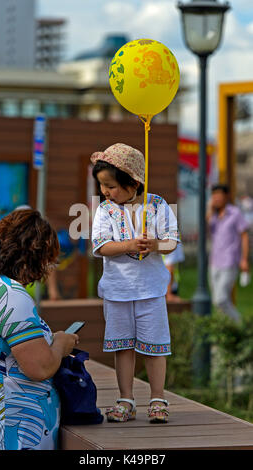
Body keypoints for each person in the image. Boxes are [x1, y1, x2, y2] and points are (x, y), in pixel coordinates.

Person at [91, 143, 180, 423]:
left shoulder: (157, 205)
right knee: (123, 346)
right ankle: (126, 399)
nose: (105, 191)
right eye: (102, 185)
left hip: (151, 290)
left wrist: (155, 244)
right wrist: (128, 244)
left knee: (155, 346)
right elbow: (101, 245)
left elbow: (172, 241)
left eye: (111, 185)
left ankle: (157, 398)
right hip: (117, 290)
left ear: (133, 182)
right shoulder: (105, 210)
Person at [0, 209, 79, 450]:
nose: (48, 267)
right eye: (47, 259)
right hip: (16, 428)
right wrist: (61, 343)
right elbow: (38, 367)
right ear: (34, 254)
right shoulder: (9, 295)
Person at [206, 183, 250, 323]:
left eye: (219, 195)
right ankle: (225, 334)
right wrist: (209, 209)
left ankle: (239, 325)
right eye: (214, 195)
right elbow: (206, 233)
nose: (217, 198)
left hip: (230, 261)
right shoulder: (213, 214)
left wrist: (244, 259)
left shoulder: (235, 213)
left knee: (221, 299)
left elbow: (244, 235)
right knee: (216, 302)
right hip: (214, 262)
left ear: (227, 196)